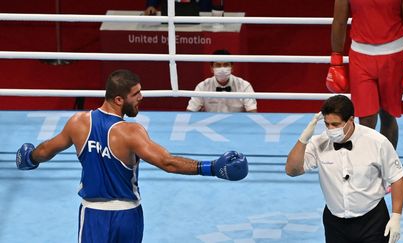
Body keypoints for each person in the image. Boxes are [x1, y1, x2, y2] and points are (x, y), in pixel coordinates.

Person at [15, 69, 249, 243]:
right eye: (135, 94)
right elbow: (168, 162)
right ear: (119, 100)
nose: (141, 97)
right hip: (127, 217)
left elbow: (46, 150)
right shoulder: (131, 133)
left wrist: (29, 157)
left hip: (93, 215)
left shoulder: (78, 123)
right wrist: (211, 167)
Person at [285, 95, 403, 243]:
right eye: (327, 124)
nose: (330, 129)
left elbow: (398, 178)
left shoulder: (377, 142)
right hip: (334, 223)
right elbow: (292, 170)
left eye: (335, 124)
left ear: (350, 120)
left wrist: (396, 216)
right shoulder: (319, 142)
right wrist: (304, 138)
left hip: (372, 221)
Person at [326, 0, 403, 149]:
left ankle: (388, 166)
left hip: (393, 56)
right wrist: (336, 60)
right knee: (366, 119)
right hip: (360, 57)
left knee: (387, 116)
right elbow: (339, 21)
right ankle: (369, 168)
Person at [187, 49, 258, 112]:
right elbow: (190, 112)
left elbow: (253, 114)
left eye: (226, 65)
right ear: (211, 68)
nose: (222, 69)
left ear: (232, 67)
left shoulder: (244, 86)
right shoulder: (202, 87)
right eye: (218, 65)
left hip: (238, 125)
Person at [144, 0, 212, 15]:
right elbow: (151, 6)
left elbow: (205, 9)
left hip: (197, 24)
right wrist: (151, 5)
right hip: (168, 22)